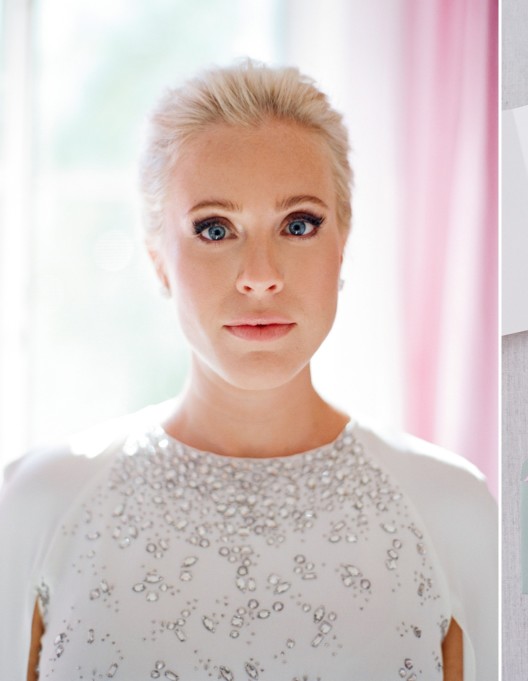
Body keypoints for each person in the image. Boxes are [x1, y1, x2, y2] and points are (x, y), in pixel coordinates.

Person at [0, 60, 497, 681]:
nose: (260, 274)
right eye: (215, 229)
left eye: (298, 225)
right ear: (158, 260)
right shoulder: (41, 501)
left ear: (342, 242)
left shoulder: (451, 507)